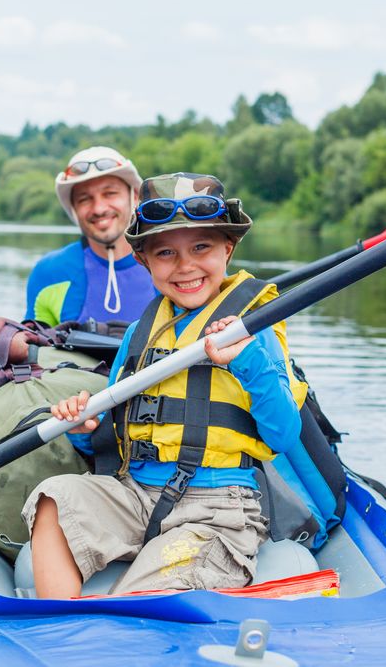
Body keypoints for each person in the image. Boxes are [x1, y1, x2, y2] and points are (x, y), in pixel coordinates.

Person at [22, 173, 305, 598]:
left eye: (202, 247)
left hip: (218, 509)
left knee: (134, 602)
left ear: (228, 249)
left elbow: (283, 434)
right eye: (166, 252)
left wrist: (247, 359)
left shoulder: (253, 330)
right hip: (136, 494)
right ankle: (62, 626)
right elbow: (115, 437)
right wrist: (87, 428)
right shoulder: (141, 333)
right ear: (145, 261)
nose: (185, 265)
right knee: (54, 496)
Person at [25, 146, 155, 326]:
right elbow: (35, 344)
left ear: (134, 196)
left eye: (110, 193)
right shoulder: (49, 272)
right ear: (73, 209)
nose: (99, 209)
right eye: (84, 199)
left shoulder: (168, 264)